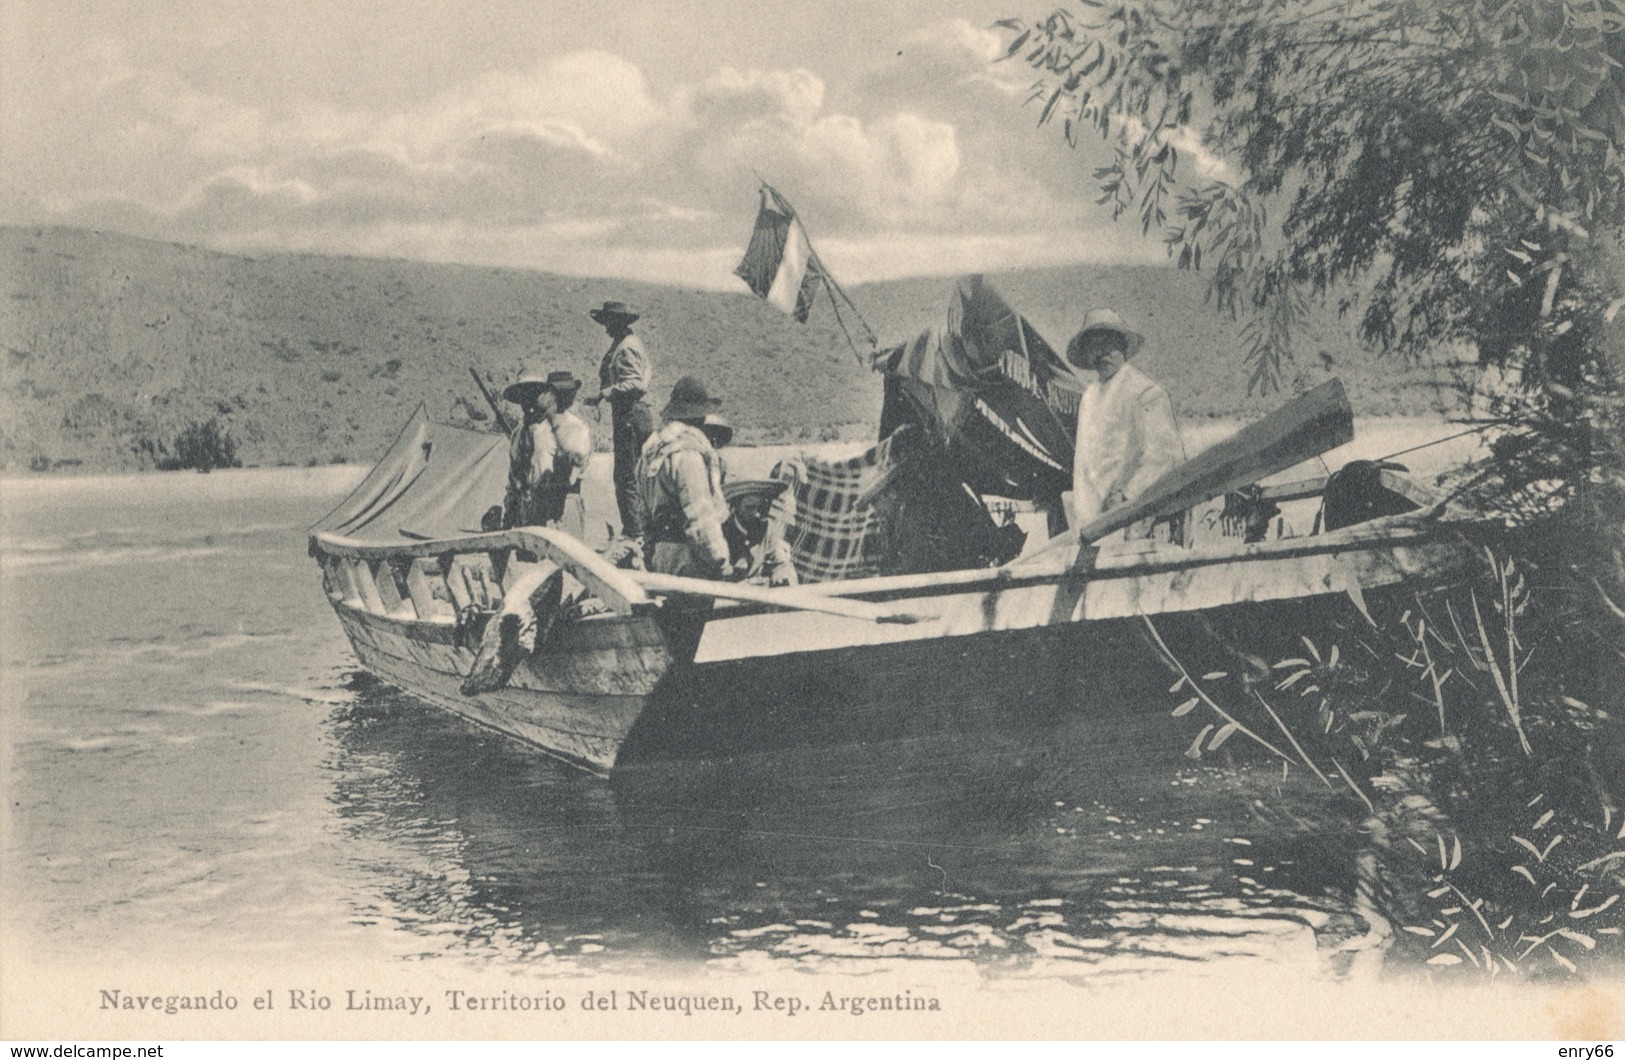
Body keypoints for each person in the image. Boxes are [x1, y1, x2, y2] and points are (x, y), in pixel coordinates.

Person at [1065, 308, 1186, 538]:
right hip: (1091, 524)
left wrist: (1126, 496)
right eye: (1094, 347)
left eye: (1108, 344)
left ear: (1123, 347)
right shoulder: (1089, 398)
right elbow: (1084, 466)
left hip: (1133, 517)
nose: (1102, 354)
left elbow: (1164, 456)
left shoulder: (1146, 393)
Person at [635, 376, 731, 578]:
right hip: (688, 559)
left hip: (661, 556)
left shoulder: (651, 452)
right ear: (700, 417)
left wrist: (651, 553)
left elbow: (643, 512)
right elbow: (700, 515)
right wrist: (720, 559)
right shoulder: (688, 453)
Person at [581, 300, 654, 540]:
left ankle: (634, 532)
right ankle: (640, 527)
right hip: (632, 415)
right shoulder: (630, 343)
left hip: (629, 415)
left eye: (609, 323)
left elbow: (635, 384)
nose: (606, 328)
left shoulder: (625, 348)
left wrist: (603, 394)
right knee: (634, 474)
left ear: (618, 323)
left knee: (626, 476)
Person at [501, 369, 592, 539]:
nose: (528, 401)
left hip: (561, 511)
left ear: (545, 395)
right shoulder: (518, 434)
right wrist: (509, 516)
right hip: (527, 515)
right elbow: (513, 480)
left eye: (533, 393)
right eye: (522, 396)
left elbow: (573, 473)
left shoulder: (571, 427)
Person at [721, 479, 797, 587]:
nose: (756, 513)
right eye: (750, 508)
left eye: (760, 508)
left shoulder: (766, 528)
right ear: (736, 506)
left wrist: (781, 573)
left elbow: (781, 562)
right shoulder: (722, 533)